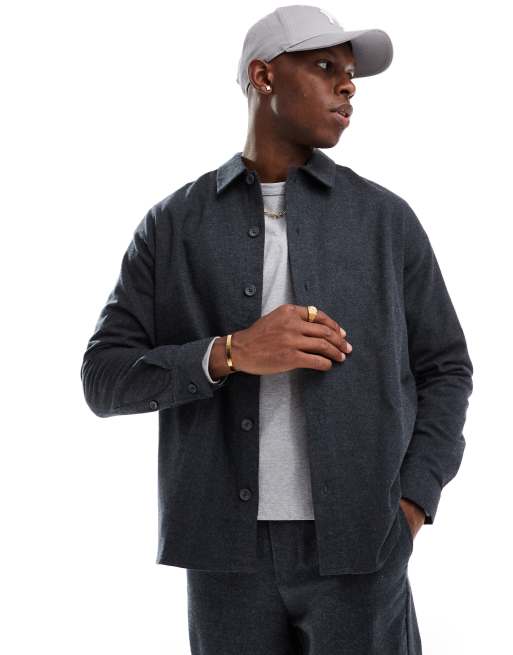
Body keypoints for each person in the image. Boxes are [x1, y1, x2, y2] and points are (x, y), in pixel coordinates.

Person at [81, 5, 473, 654]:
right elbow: (103, 379)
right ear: (264, 76)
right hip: (223, 556)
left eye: (351, 74)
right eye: (324, 67)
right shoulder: (173, 225)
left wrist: (413, 499)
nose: (347, 86)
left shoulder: (385, 221)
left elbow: (446, 368)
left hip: (362, 547)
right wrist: (228, 353)